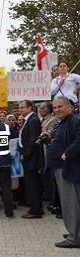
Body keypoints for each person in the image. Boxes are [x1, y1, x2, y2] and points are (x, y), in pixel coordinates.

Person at [45, 96, 80, 248]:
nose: (57, 110)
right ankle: (75, 232)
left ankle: (74, 238)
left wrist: (67, 153)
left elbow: (79, 141)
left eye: (60, 107)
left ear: (69, 107)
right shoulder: (63, 122)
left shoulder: (75, 121)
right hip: (61, 169)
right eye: (55, 107)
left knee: (70, 205)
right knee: (71, 204)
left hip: (68, 169)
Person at [18, 100, 44, 219]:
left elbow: (32, 140)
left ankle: (35, 210)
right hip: (29, 158)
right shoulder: (28, 120)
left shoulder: (33, 120)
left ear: (30, 107)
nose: (20, 110)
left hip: (31, 158)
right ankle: (37, 207)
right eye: (19, 108)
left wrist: (26, 154)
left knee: (32, 184)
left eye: (23, 107)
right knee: (31, 184)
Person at [39, 101, 58, 203]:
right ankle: (47, 194)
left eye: (42, 108)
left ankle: (53, 196)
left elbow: (50, 133)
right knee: (43, 174)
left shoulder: (53, 120)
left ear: (47, 109)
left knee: (50, 174)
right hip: (41, 150)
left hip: (48, 150)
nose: (40, 110)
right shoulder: (41, 120)